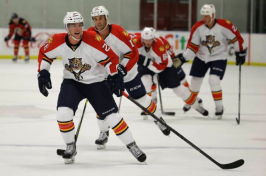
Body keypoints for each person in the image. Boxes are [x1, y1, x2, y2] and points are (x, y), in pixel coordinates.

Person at [37, 11, 146, 164]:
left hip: (96, 82)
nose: (77, 28)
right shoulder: (57, 40)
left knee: (112, 118)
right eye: (73, 25)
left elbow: (110, 59)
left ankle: (132, 145)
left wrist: (116, 77)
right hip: (72, 82)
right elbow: (45, 54)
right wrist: (43, 73)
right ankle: (70, 146)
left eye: (80, 24)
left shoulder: (94, 39)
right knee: (63, 114)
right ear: (66, 27)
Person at [87, 6, 171, 150]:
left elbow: (132, 53)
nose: (98, 22)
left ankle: (158, 119)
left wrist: (121, 71)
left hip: (128, 73)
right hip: (106, 74)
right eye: (95, 19)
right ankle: (103, 132)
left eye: (100, 18)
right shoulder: (89, 33)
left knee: (141, 98)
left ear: (107, 18)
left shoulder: (118, 32)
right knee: (101, 103)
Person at [173, 4, 246, 119]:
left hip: (219, 57)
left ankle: (219, 107)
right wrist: (182, 58)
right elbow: (192, 47)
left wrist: (239, 52)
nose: (204, 18)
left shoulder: (224, 25)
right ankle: (191, 101)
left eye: (206, 16)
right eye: (203, 16)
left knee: (213, 80)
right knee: (195, 80)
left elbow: (236, 38)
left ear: (212, 15)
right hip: (201, 57)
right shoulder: (197, 27)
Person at [134, 27, 209, 119]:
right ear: (142, 38)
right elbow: (124, 42)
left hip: (164, 66)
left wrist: (148, 62)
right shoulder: (135, 40)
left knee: (178, 89)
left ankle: (196, 106)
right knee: (145, 82)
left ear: (154, 39)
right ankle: (147, 107)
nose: (147, 42)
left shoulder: (160, 46)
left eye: (150, 40)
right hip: (146, 65)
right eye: (145, 40)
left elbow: (161, 66)